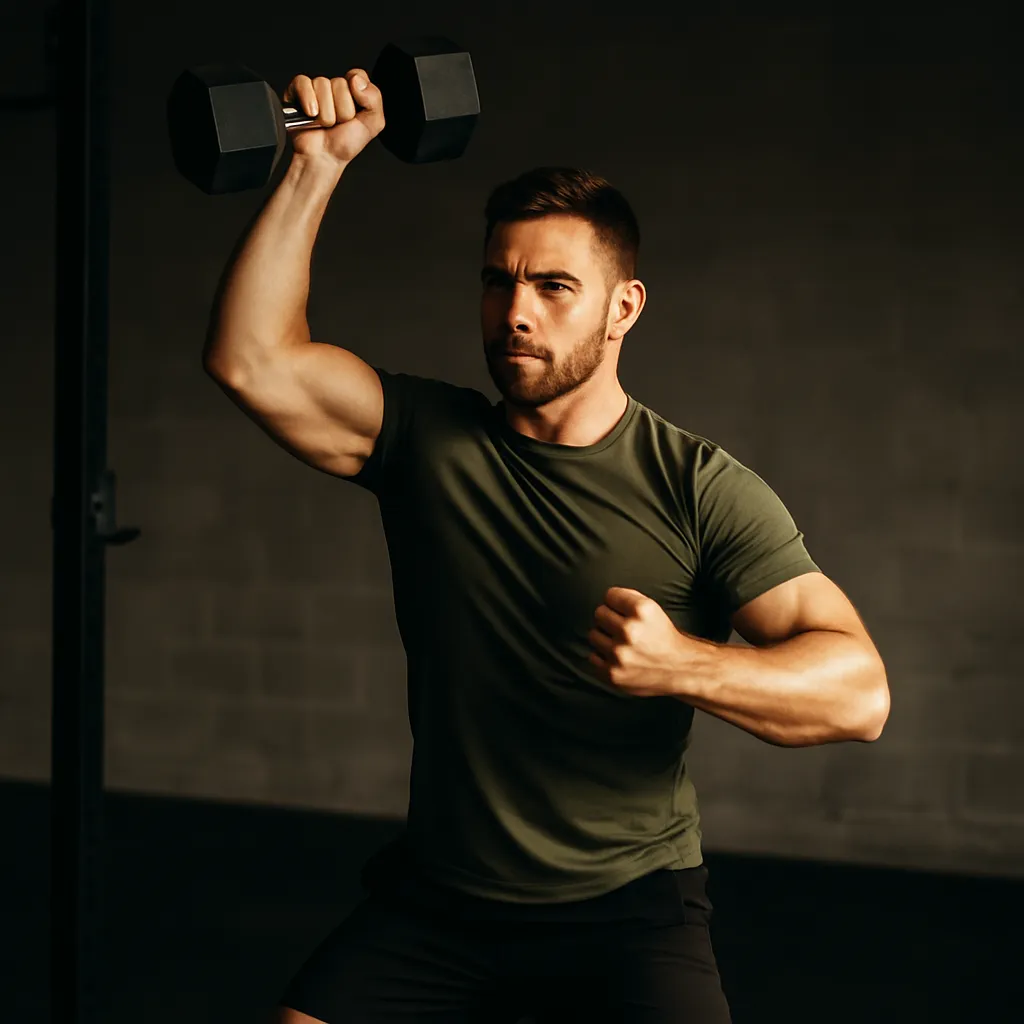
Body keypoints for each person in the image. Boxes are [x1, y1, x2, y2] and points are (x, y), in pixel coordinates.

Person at [203, 67, 891, 1024]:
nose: (515, 311)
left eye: (554, 286)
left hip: (627, 913)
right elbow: (252, 360)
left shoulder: (699, 488)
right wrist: (316, 163)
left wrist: (685, 665)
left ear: (624, 308)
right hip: (438, 904)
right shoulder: (424, 440)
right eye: (498, 281)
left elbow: (860, 694)